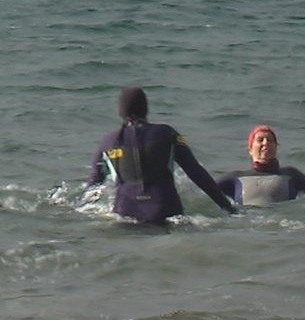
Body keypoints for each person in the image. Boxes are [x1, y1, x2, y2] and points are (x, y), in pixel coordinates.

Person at [87, 87, 236, 224]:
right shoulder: (167, 133)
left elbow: (93, 186)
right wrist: (228, 207)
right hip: (164, 211)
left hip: (125, 213)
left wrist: (80, 206)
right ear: (146, 109)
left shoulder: (108, 141)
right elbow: (196, 172)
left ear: (121, 112)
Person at [217, 125, 305, 206]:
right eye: (260, 140)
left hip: (285, 224)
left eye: (270, 140)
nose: (265, 143)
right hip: (248, 223)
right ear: (250, 149)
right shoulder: (235, 178)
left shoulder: (291, 174)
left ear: (276, 147)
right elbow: (207, 192)